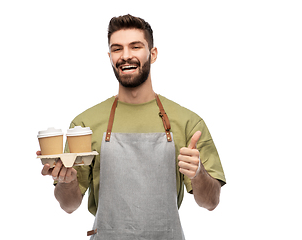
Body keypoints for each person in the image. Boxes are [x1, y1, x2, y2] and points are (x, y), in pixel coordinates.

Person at [38, 14, 226, 239]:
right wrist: (66, 182)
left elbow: (211, 202)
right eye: (117, 49)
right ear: (110, 56)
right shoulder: (85, 124)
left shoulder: (187, 122)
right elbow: (69, 205)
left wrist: (199, 173)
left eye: (135, 47)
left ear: (152, 54)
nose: (125, 56)